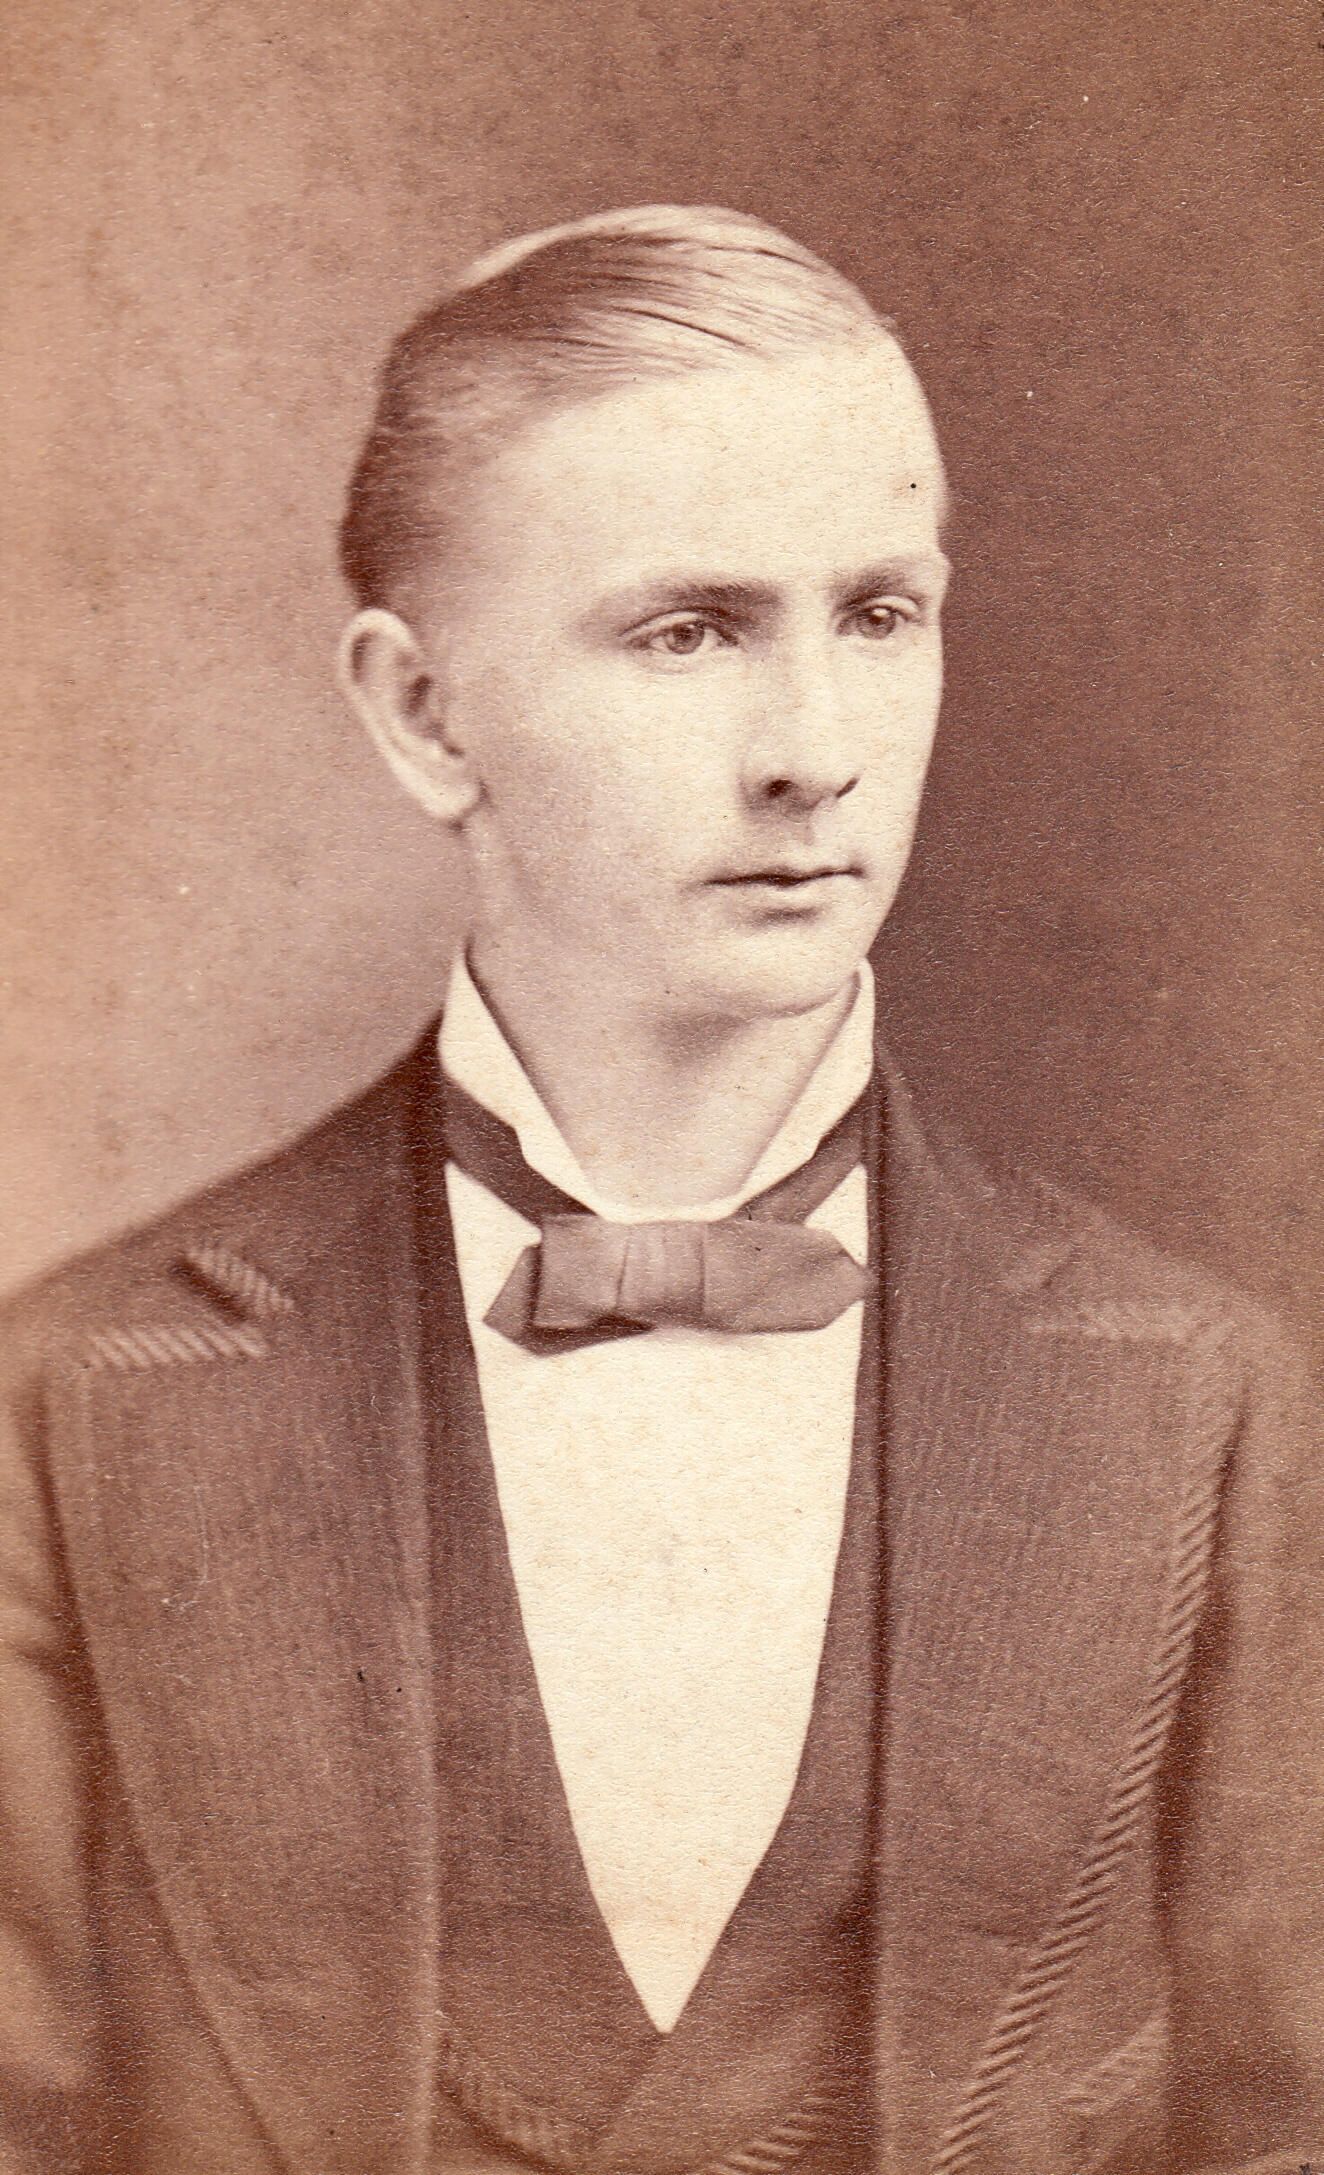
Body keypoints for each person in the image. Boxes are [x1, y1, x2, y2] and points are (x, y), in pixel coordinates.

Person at [0, 205, 1319, 2175]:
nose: (812, 753)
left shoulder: (1200, 1405)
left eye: (878, 615)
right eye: (685, 632)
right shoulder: (70, 1404)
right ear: (421, 713)